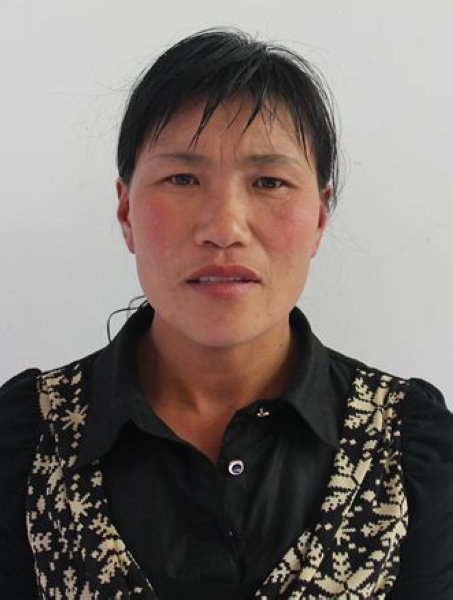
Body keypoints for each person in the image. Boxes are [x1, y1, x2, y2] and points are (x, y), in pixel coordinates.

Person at [1, 27, 452, 600]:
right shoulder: (28, 440)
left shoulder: (407, 448)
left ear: (320, 216)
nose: (224, 228)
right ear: (126, 210)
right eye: (182, 179)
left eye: (269, 181)